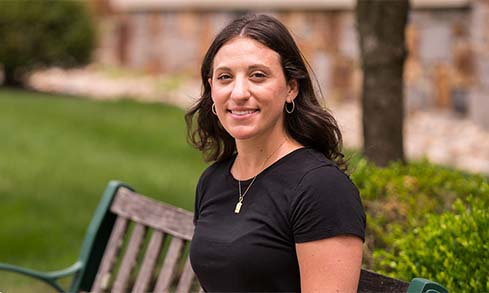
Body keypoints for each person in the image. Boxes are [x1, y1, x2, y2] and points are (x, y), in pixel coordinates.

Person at [185, 14, 366, 292]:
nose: (239, 92)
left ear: (291, 88)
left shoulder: (322, 189)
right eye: (225, 77)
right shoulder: (213, 181)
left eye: (258, 75)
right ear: (212, 89)